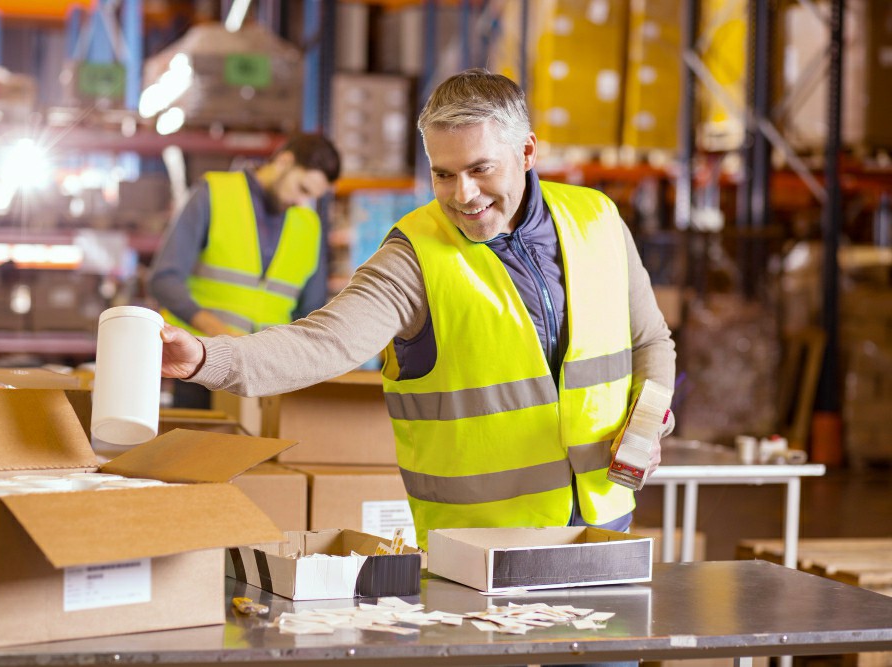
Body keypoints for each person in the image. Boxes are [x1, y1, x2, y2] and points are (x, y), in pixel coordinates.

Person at [159, 68, 676, 549]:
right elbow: (324, 342)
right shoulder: (414, 257)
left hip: (603, 526)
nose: (463, 195)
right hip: (479, 547)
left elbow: (650, 340)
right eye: (443, 174)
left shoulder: (597, 219)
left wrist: (648, 423)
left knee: (604, 653)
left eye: (480, 169)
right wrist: (207, 358)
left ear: (527, 151)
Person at [148, 132, 341, 406]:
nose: (302, 202)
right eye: (303, 189)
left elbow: (310, 312)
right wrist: (221, 335)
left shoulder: (309, 225)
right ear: (285, 161)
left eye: (312, 197)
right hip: (200, 365)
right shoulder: (214, 193)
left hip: (266, 378)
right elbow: (164, 280)